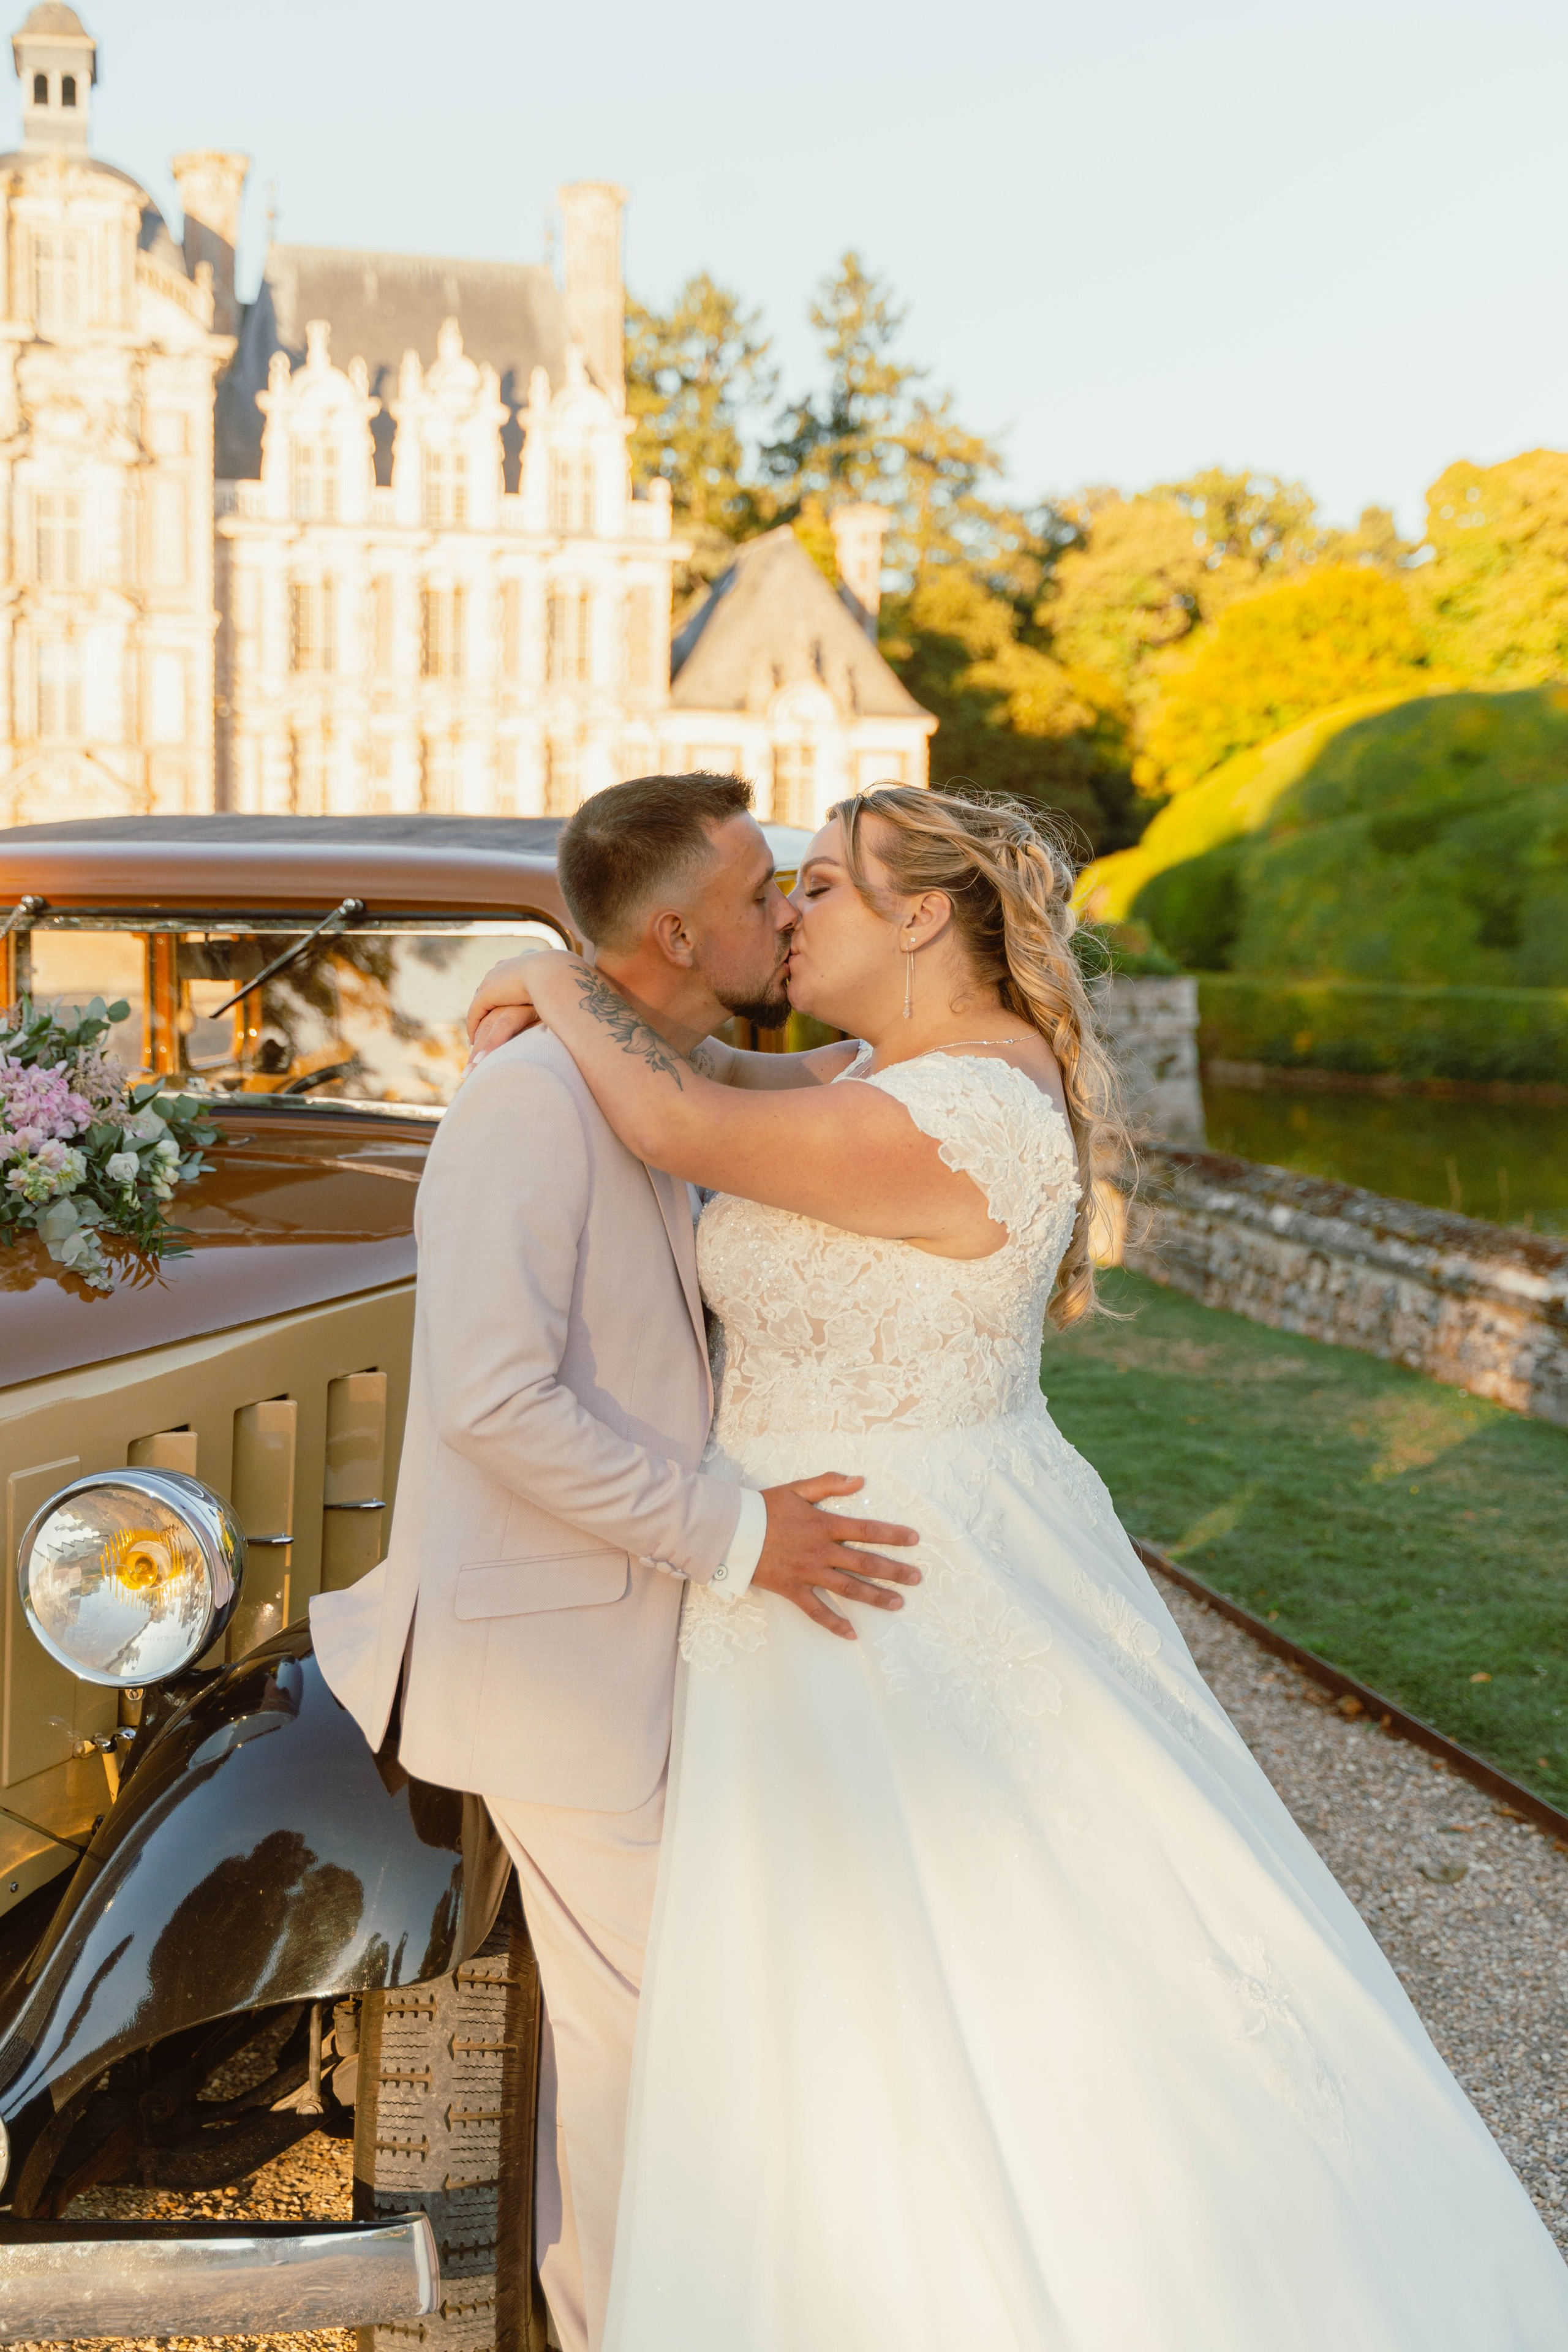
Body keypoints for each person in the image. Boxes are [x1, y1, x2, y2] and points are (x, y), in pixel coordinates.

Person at [464, 782, 1568, 2351]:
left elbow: (677, 1123)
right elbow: (710, 1070)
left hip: (880, 1577)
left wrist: (550, 973)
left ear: (921, 915)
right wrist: (600, 994)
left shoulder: (959, 1114)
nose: (789, 914)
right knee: (837, 1994)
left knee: (976, 1975)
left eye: (819, 886)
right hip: (828, 1565)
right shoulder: (890, 1073)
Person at [309, 772, 921, 2352]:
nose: (783, 912)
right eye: (759, 893)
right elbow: (494, 1404)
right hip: (555, 1662)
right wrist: (741, 1534)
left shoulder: (648, 1056)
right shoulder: (527, 1101)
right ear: (677, 936)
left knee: (670, 2029)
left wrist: (555, 973)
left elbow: (771, 1078)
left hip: (647, 1642)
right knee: (648, 2045)